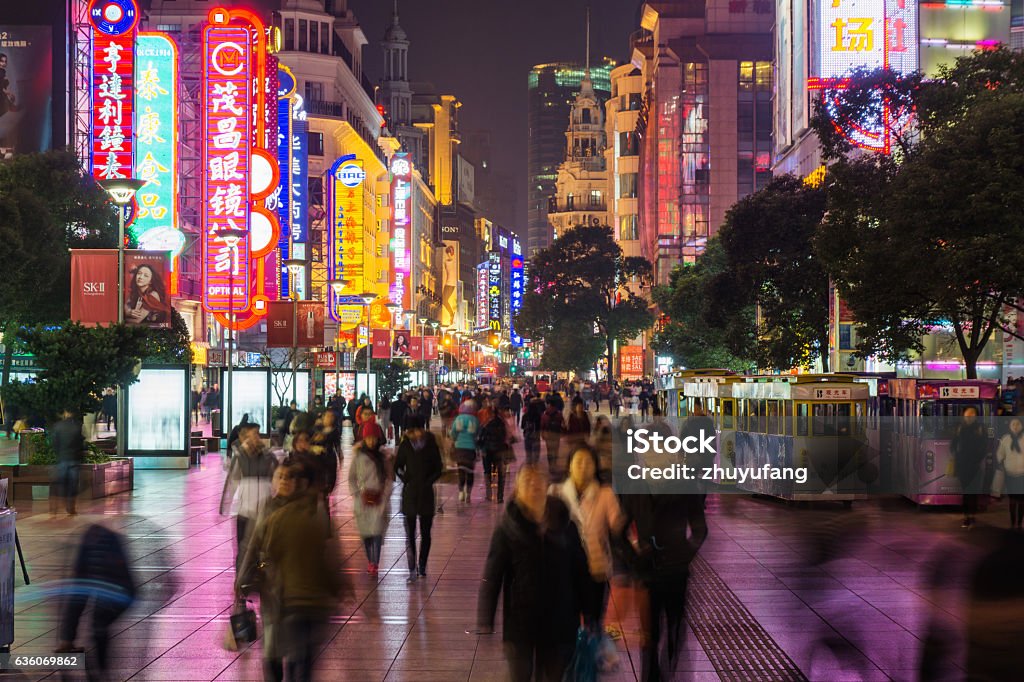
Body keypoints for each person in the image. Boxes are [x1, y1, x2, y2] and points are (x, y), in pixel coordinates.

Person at [237, 457, 346, 682]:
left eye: (290, 478)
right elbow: (252, 545)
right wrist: (242, 580)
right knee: (275, 650)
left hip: (298, 593)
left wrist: (336, 586)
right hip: (274, 592)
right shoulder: (267, 507)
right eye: (281, 477)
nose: (285, 481)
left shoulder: (312, 511)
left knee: (299, 654)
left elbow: (329, 553)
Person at [476, 466, 589, 681]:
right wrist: (486, 617)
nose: (534, 486)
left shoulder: (566, 526)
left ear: (546, 487)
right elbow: (493, 573)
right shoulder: (507, 529)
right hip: (521, 623)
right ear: (517, 490)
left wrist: (589, 611)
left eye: (538, 481)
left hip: (560, 620)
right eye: (527, 481)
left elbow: (581, 570)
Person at [619, 493, 708, 682]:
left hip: (676, 574)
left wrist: (684, 555)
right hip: (648, 575)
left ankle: (669, 671)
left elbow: (700, 529)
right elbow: (619, 532)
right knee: (650, 637)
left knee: (674, 631)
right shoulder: (635, 491)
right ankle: (651, 676)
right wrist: (634, 560)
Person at [551, 446, 625, 641]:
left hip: (596, 568)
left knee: (593, 621)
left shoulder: (605, 494)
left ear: (595, 467)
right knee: (566, 620)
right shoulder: (556, 493)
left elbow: (618, 526)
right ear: (570, 466)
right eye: (578, 462)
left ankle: (588, 663)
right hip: (563, 569)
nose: (583, 467)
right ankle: (571, 663)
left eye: (588, 462)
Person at [56, 524, 136, 675]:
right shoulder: (96, 545)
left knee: (98, 625)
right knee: (98, 626)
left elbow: (78, 599)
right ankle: (100, 669)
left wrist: (67, 637)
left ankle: (100, 670)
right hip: (120, 588)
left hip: (119, 590)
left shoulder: (93, 551)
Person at [219, 422, 277, 570]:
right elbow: (232, 482)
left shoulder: (268, 456)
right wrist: (225, 506)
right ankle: (242, 578)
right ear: (243, 437)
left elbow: (277, 478)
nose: (256, 438)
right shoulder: (239, 457)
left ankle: (261, 577)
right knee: (243, 547)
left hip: (265, 511)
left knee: (265, 547)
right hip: (246, 510)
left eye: (257, 434)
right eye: (252, 434)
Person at [395, 416, 443, 582]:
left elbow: (439, 467)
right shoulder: (405, 445)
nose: (413, 434)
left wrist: (428, 481)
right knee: (410, 533)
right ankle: (412, 568)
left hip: (426, 494)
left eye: (415, 430)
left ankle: (422, 565)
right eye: (410, 431)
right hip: (410, 494)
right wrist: (405, 479)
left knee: (425, 533)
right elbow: (398, 466)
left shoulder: (430, 444)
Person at [349, 420, 391, 575]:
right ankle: (370, 560)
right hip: (363, 500)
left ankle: (375, 562)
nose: (372, 441)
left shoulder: (383, 457)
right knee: (366, 534)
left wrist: (385, 495)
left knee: (377, 532)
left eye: (374, 438)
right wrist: (356, 494)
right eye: (369, 438)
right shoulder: (358, 457)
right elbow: (351, 478)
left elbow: (388, 478)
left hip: (379, 498)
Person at [953, 407, 989, 528]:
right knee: (966, 492)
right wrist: (957, 456)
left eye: (972, 415)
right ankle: (966, 517)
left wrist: (977, 459)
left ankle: (971, 516)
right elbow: (953, 445)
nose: (969, 417)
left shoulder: (980, 429)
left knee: (973, 493)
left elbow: (985, 446)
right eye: (967, 415)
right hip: (963, 466)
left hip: (975, 466)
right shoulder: (960, 428)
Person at [50, 409, 84, 516]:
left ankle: (55, 508)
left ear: (65, 413)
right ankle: (70, 507)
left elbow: (55, 444)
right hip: (74, 459)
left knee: (60, 482)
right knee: (73, 484)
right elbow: (81, 443)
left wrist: (59, 454)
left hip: (62, 459)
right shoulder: (78, 426)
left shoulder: (57, 426)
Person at [996, 417, 1024, 529]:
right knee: (1012, 499)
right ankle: (1013, 522)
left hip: (1022, 474)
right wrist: (1001, 464)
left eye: (1018, 424)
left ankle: (1019, 522)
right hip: (1010, 474)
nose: (1015, 426)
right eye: (1013, 424)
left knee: (1022, 500)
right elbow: (1000, 454)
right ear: (1010, 426)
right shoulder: (1006, 439)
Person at [478, 406, 510, 503]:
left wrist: (481, 447)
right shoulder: (502, 424)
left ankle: (489, 494)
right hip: (500, 451)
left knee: (487, 472)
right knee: (501, 474)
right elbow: (506, 438)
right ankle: (500, 496)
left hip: (488, 451)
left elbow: (480, 439)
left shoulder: (486, 424)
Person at [451, 400, 480, 503]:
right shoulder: (475, 420)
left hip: (459, 447)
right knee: (470, 471)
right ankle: (468, 493)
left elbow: (453, 433)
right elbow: (478, 434)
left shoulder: (458, 419)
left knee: (461, 470)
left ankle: (461, 492)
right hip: (471, 448)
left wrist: (455, 440)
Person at [541, 398, 566, 479]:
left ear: (549, 404)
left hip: (548, 435)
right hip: (556, 435)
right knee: (555, 450)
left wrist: (543, 434)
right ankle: (554, 464)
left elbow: (543, 425)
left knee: (549, 450)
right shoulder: (559, 414)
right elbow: (563, 424)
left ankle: (550, 465)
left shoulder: (545, 414)